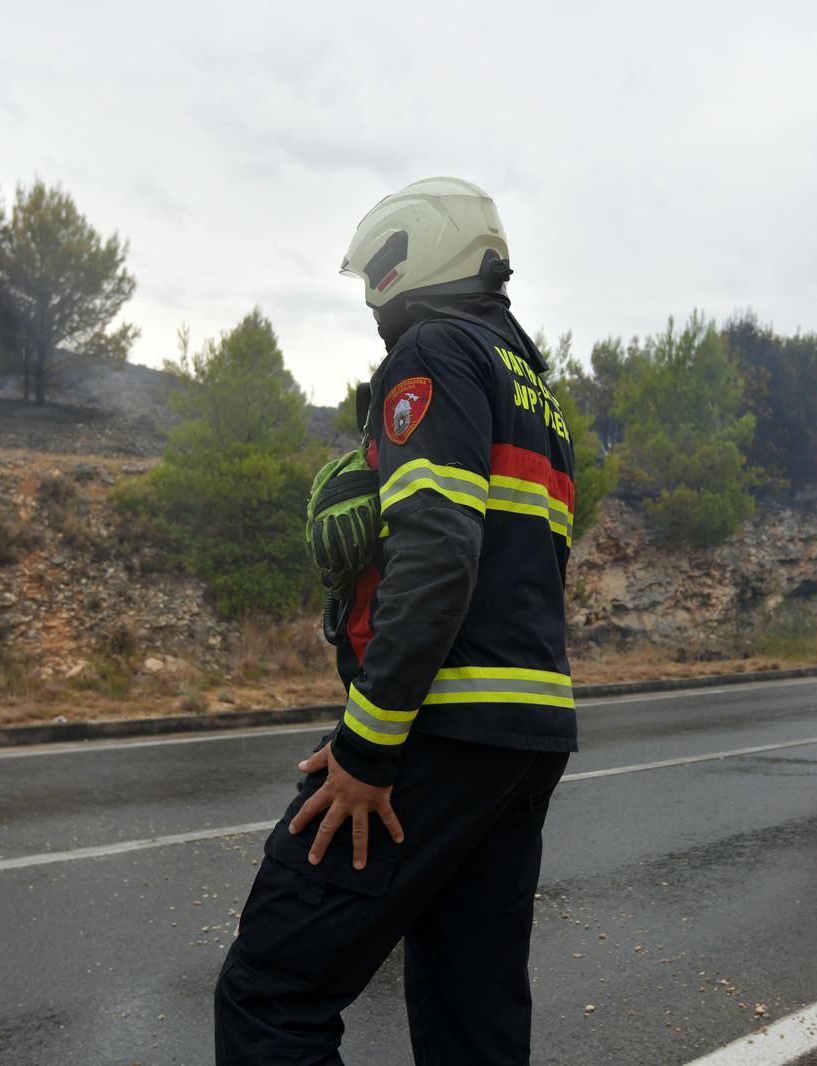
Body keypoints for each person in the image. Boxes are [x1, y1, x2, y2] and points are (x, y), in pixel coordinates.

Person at [214, 176, 578, 1066]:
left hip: (436, 730)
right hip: (526, 740)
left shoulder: (432, 350)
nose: (375, 293)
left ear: (413, 254)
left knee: (271, 992)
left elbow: (443, 554)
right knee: (472, 1014)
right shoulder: (536, 392)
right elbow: (517, 566)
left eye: (379, 269)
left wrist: (369, 749)